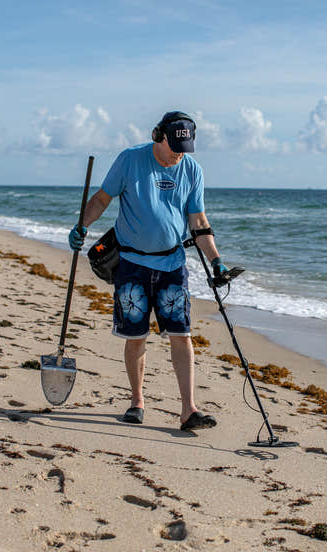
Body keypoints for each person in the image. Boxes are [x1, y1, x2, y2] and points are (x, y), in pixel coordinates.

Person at [68, 111, 228, 432]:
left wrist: (215, 260)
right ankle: (137, 401)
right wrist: (82, 225)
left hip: (172, 266)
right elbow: (101, 199)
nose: (179, 154)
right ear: (159, 136)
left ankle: (188, 411)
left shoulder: (191, 170)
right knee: (136, 337)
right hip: (132, 265)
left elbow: (198, 221)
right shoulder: (130, 161)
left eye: (185, 148)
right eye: (175, 147)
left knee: (182, 336)